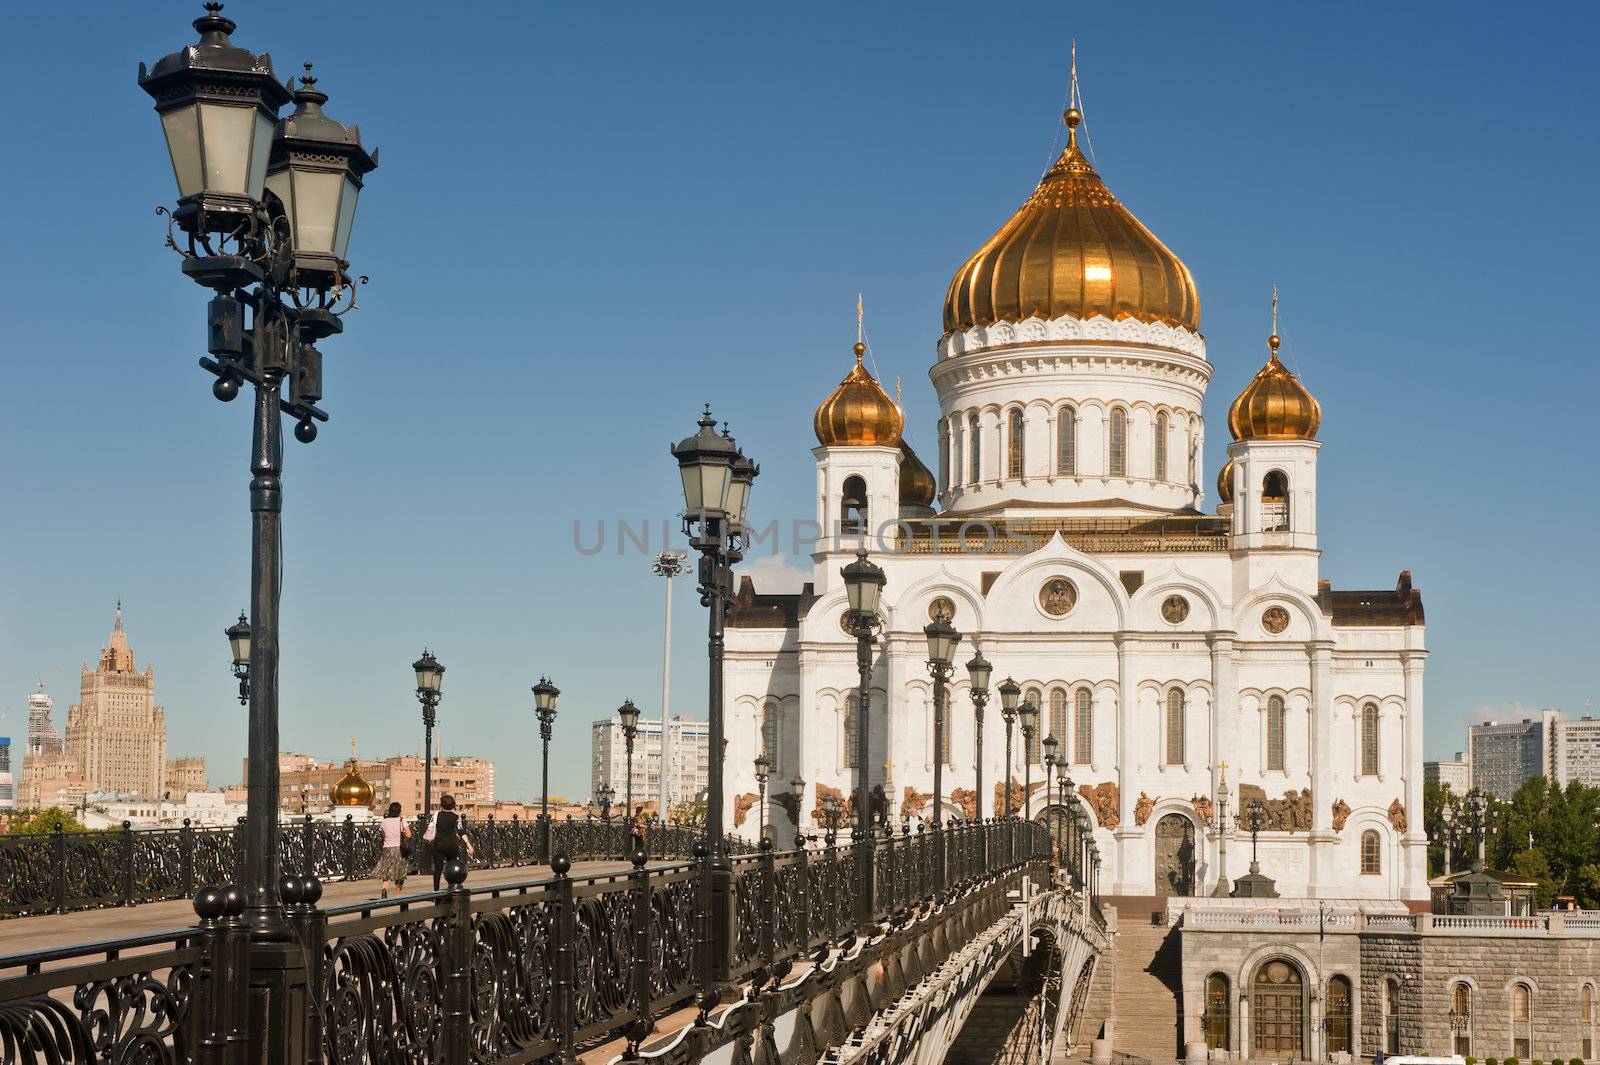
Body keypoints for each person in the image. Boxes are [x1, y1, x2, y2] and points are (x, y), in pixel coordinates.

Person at [427, 794, 474, 891]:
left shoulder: (436, 815)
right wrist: (469, 845)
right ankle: (452, 888)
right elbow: (461, 831)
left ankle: (436, 891)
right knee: (452, 868)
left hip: (439, 845)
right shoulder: (456, 817)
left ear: (441, 805)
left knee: (438, 869)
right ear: (453, 805)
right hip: (452, 846)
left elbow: (430, 827)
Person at [371, 801, 411, 899]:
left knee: (387, 872)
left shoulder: (384, 821)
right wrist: (402, 834)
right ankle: (398, 895)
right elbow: (409, 835)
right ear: (399, 811)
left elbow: (383, 835)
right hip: (398, 849)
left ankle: (384, 888)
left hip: (386, 849)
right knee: (400, 873)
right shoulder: (401, 820)